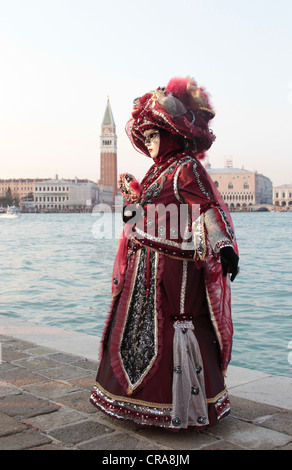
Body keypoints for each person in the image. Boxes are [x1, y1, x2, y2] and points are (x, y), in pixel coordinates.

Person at [90, 76, 239, 430]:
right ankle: (133, 401)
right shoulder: (157, 171)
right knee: (137, 330)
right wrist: (133, 212)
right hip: (143, 268)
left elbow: (206, 209)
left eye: (155, 135)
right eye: (147, 136)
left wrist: (224, 247)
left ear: (171, 133)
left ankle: (175, 406)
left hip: (175, 269)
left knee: (172, 325)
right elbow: (149, 210)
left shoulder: (186, 167)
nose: (149, 142)